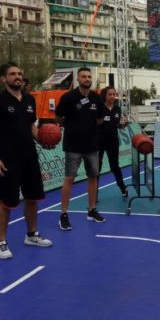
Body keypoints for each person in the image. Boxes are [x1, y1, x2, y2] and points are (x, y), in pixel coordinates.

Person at [0, 63, 53, 260]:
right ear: (3, 79)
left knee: (32, 198)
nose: (18, 76)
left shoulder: (29, 99)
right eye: (12, 74)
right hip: (7, 160)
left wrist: (43, 141)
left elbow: (32, 127)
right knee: (5, 203)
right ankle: (0, 242)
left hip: (30, 157)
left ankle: (31, 235)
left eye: (19, 73)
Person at [55, 67, 105, 227]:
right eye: (83, 76)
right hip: (73, 146)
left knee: (93, 177)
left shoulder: (96, 98)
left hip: (92, 145)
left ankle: (92, 210)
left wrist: (88, 127)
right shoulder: (68, 97)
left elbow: (100, 118)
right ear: (78, 79)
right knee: (69, 178)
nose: (87, 79)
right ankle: (63, 214)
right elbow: (58, 117)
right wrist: (73, 127)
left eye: (89, 76)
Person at [98, 86, 128, 199]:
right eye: (109, 94)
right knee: (97, 167)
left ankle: (123, 188)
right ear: (105, 96)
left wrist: (122, 125)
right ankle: (94, 194)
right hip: (99, 141)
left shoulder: (117, 109)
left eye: (114, 94)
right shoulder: (99, 108)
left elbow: (116, 124)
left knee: (115, 166)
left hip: (113, 141)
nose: (112, 96)